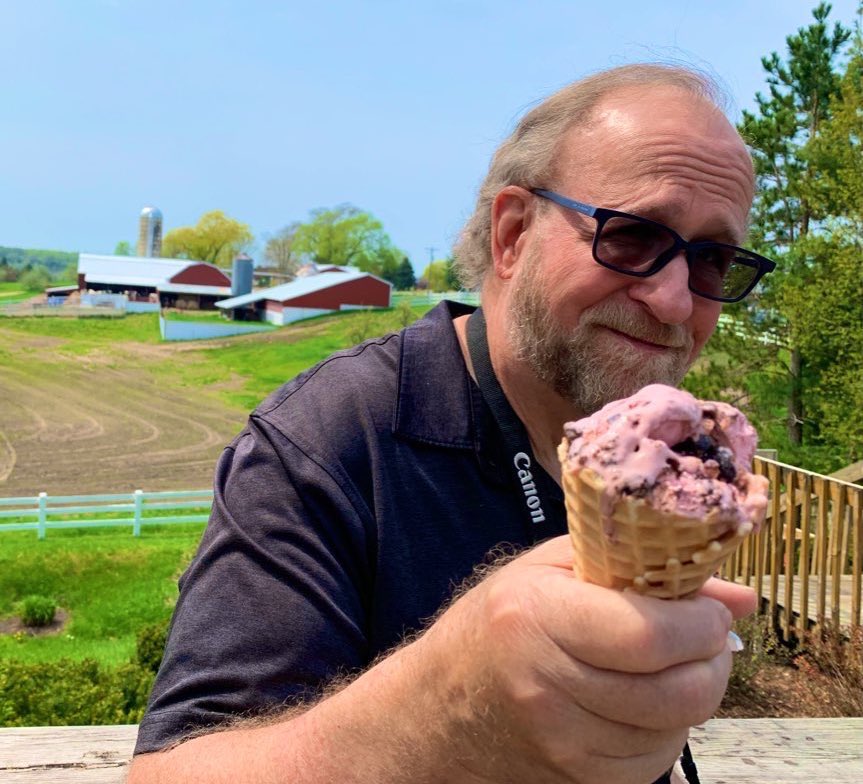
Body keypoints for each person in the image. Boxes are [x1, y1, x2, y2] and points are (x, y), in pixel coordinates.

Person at [128, 63, 771, 784]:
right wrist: (452, 707)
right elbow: (169, 773)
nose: (675, 300)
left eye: (712, 261)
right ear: (512, 234)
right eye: (629, 237)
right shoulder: (331, 441)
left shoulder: (684, 463)